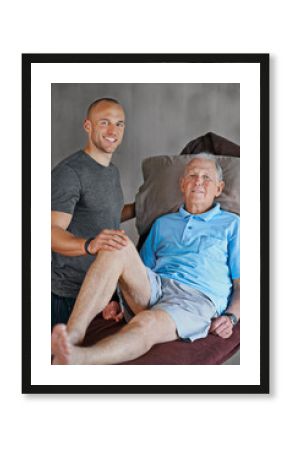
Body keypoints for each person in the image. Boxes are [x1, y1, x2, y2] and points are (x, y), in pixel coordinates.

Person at [51, 153, 240, 365]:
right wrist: (117, 301)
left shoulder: (232, 225)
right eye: (193, 175)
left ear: (219, 188)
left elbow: (243, 284)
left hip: (194, 299)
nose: (198, 181)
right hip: (155, 287)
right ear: (182, 183)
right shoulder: (163, 223)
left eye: (207, 177)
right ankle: (72, 337)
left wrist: (231, 317)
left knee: (146, 321)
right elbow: (136, 270)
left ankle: (77, 358)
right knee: (116, 244)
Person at [51, 98, 135, 328]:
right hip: (67, 295)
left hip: (100, 289)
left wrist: (140, 208)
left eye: (119, 124)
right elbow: (50, 231)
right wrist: (89, 245)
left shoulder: (111, 171)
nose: (112, 131)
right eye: (104, 122)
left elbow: (106, 213)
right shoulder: (69, 173)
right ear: (88, 126)